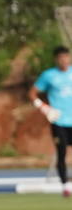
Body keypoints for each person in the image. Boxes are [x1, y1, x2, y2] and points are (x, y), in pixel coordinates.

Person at [30, 45, 72, 199]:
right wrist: (44, 108)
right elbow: (33, 93)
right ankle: (65, 186)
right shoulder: (49, 75)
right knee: (61, 153)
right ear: (56, 59)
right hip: (59, 121)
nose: (64, 60)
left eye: (66, 57)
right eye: (61, 58)